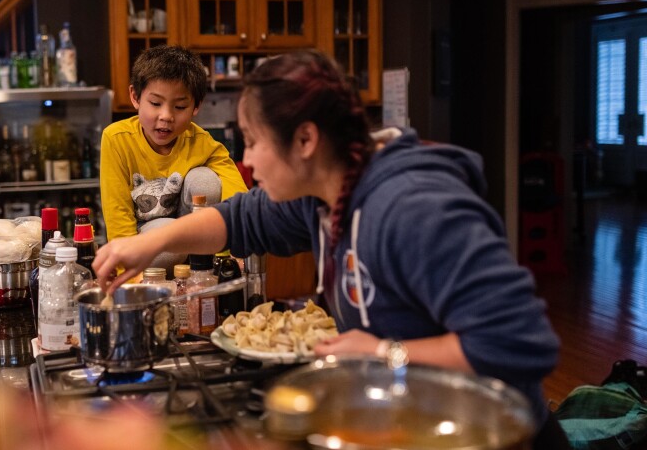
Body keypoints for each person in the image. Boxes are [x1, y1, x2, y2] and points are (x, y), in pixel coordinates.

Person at [93, 49, 569, 448]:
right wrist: (149, 240)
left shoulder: (417, 209)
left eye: (255, 143)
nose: (249, 161)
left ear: (305, 140)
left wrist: (385, 352)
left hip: (497, 436)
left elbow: (517, 345)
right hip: (417, 424)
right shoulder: (323, 196)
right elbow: (241, 218)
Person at [99, 45, 248, 271]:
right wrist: (127, 273)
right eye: (155, 103)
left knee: (205, 180)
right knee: (166, 239)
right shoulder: (116, 139)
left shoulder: (201, 141)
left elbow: (236, 194)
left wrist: (231, 253)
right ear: (135, 97)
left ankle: (207, 263)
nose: (166, 116)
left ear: (196, 106)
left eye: (179, 106)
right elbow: (117, 212)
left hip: (193, 238)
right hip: (147, 245)